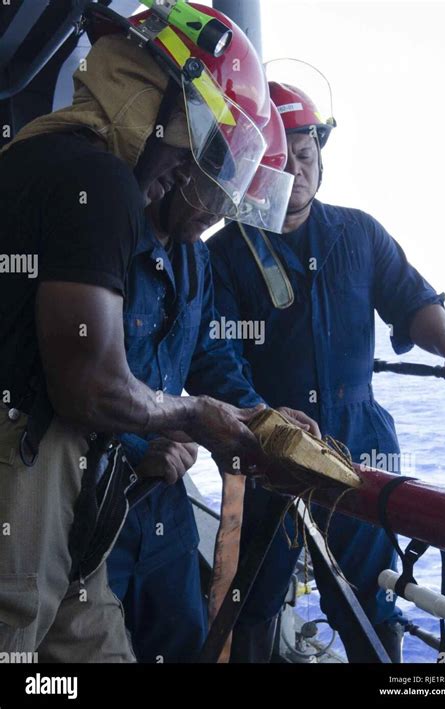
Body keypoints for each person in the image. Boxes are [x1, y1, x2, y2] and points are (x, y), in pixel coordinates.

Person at [0, 3, 277, 662]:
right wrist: (194, 414)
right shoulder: (97, 179)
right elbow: (90, 386)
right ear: (146, 98)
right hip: (30, 463)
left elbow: (204, 361)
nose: (189, 174)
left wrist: (258, 420)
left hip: (76, 483)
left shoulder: (30, 156)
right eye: (189, 143)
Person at [205, 72, 445, 663]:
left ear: (320, 155)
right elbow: (215, 357)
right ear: (254, 166)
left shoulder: (359, 232)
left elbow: (411, 300)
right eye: (282, 161)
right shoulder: (223, 253)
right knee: (253, 601)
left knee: (370, 601)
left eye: (306, 156)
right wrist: (263, 422)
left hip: (359, 445)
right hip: (269, 446)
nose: (296, 172)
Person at [107, 101, 317, 664]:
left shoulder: (195, 261)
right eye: (213, 193)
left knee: (183, 641)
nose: (218, 214)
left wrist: (261, 419)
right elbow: (79, 379)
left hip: (164, 505)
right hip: (96, 508)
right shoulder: (110, 241)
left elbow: (212, 359)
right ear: (182, 167)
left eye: (233, 201)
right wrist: (140, 448)